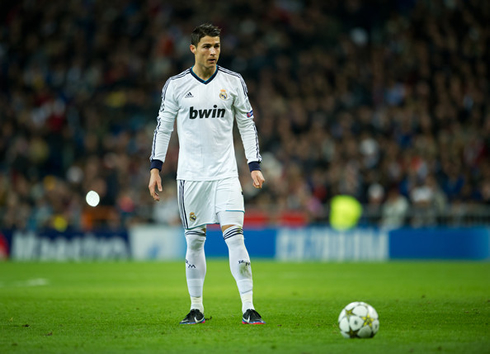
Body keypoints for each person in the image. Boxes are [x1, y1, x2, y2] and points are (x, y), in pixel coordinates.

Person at [148, 23, 266, 325]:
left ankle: (249, 307)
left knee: (235, 237)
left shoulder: (233, 82)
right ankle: (197, 308)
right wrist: (155, 168)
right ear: (193, 49)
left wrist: (254, 165)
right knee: (195, 243)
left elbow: (247, 124)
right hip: (191, 178)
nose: (213, 52)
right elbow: (163, 128)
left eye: (216, 46)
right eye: (206, 47)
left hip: (226, 175)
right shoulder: (175, 86)